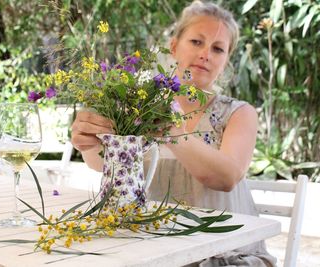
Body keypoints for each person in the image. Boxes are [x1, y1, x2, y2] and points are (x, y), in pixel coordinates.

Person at [71, 1, 276, 266]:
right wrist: (87, 140)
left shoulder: (239, 113)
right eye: (196, 42)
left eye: (217, 49)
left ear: (226, 61)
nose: (205, 54)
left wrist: (170, 130)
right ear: (174, 46)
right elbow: (101, 163)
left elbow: (226, 176)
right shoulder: (140, 107)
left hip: (227, 254)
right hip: (154, 251)